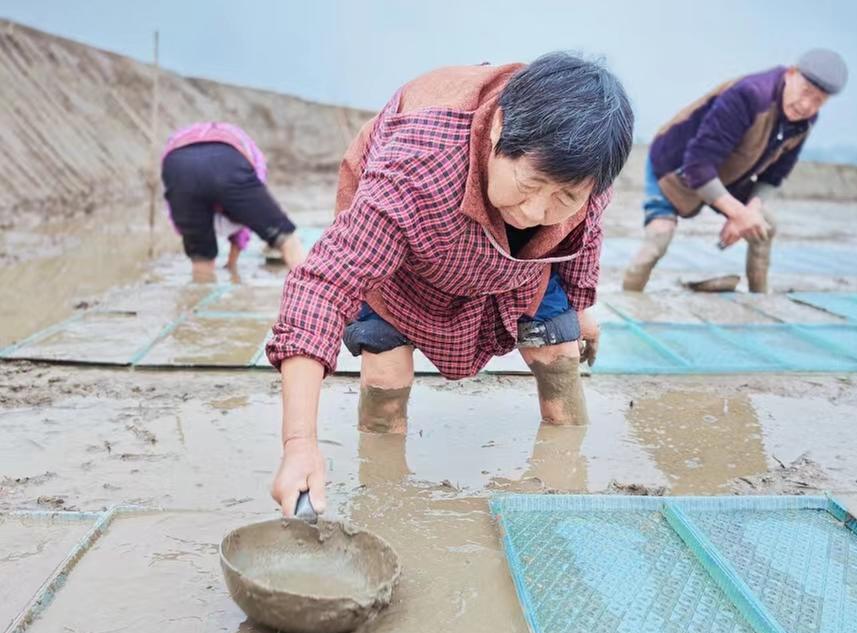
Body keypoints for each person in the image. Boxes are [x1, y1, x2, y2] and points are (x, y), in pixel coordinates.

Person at [265, 53, 634, 516]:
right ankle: (387, 505)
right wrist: (299, 442)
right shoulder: (416, 167)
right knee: (385, 380)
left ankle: (566, 496)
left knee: (560, 357)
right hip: (408, 264)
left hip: (522, 267)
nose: (538, 211)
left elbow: (586, 237)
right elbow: (323, 285)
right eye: (531, 183)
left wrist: (581, 311)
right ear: (498, 130)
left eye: (564, 197)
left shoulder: (588, 178)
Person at [622, 49, 848, 293]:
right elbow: (697, 165)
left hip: (727, 173)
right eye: (805, 92)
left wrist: (748, 213)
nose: (806, 105)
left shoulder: (804, 120)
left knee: (764, 226)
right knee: (658, 239)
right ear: (791, 74)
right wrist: (737, 213)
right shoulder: (749, 95)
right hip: (672, 167)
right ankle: (630, 301)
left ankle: (759, 298)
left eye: (818, 101)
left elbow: (774, 176)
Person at [161, 122, 307, 280]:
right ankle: (310, 294)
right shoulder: (249, 149)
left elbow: (173, 206)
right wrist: (233, 265)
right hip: (228, 159)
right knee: (286, 238)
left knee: (201, 257)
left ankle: (200, 292)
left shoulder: (184, 135)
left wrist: (192, 234)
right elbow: (249, 213)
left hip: (177, 163)